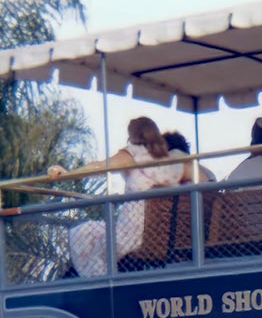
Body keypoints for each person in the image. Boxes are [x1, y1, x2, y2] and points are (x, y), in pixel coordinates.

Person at [51, 117, 188, 277]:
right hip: (162, 235)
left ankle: (96, 281)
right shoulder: (171, 161)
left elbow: (100, 166)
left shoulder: (134, 152)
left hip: (132, 231)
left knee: (83, 232)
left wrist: (69, 175)